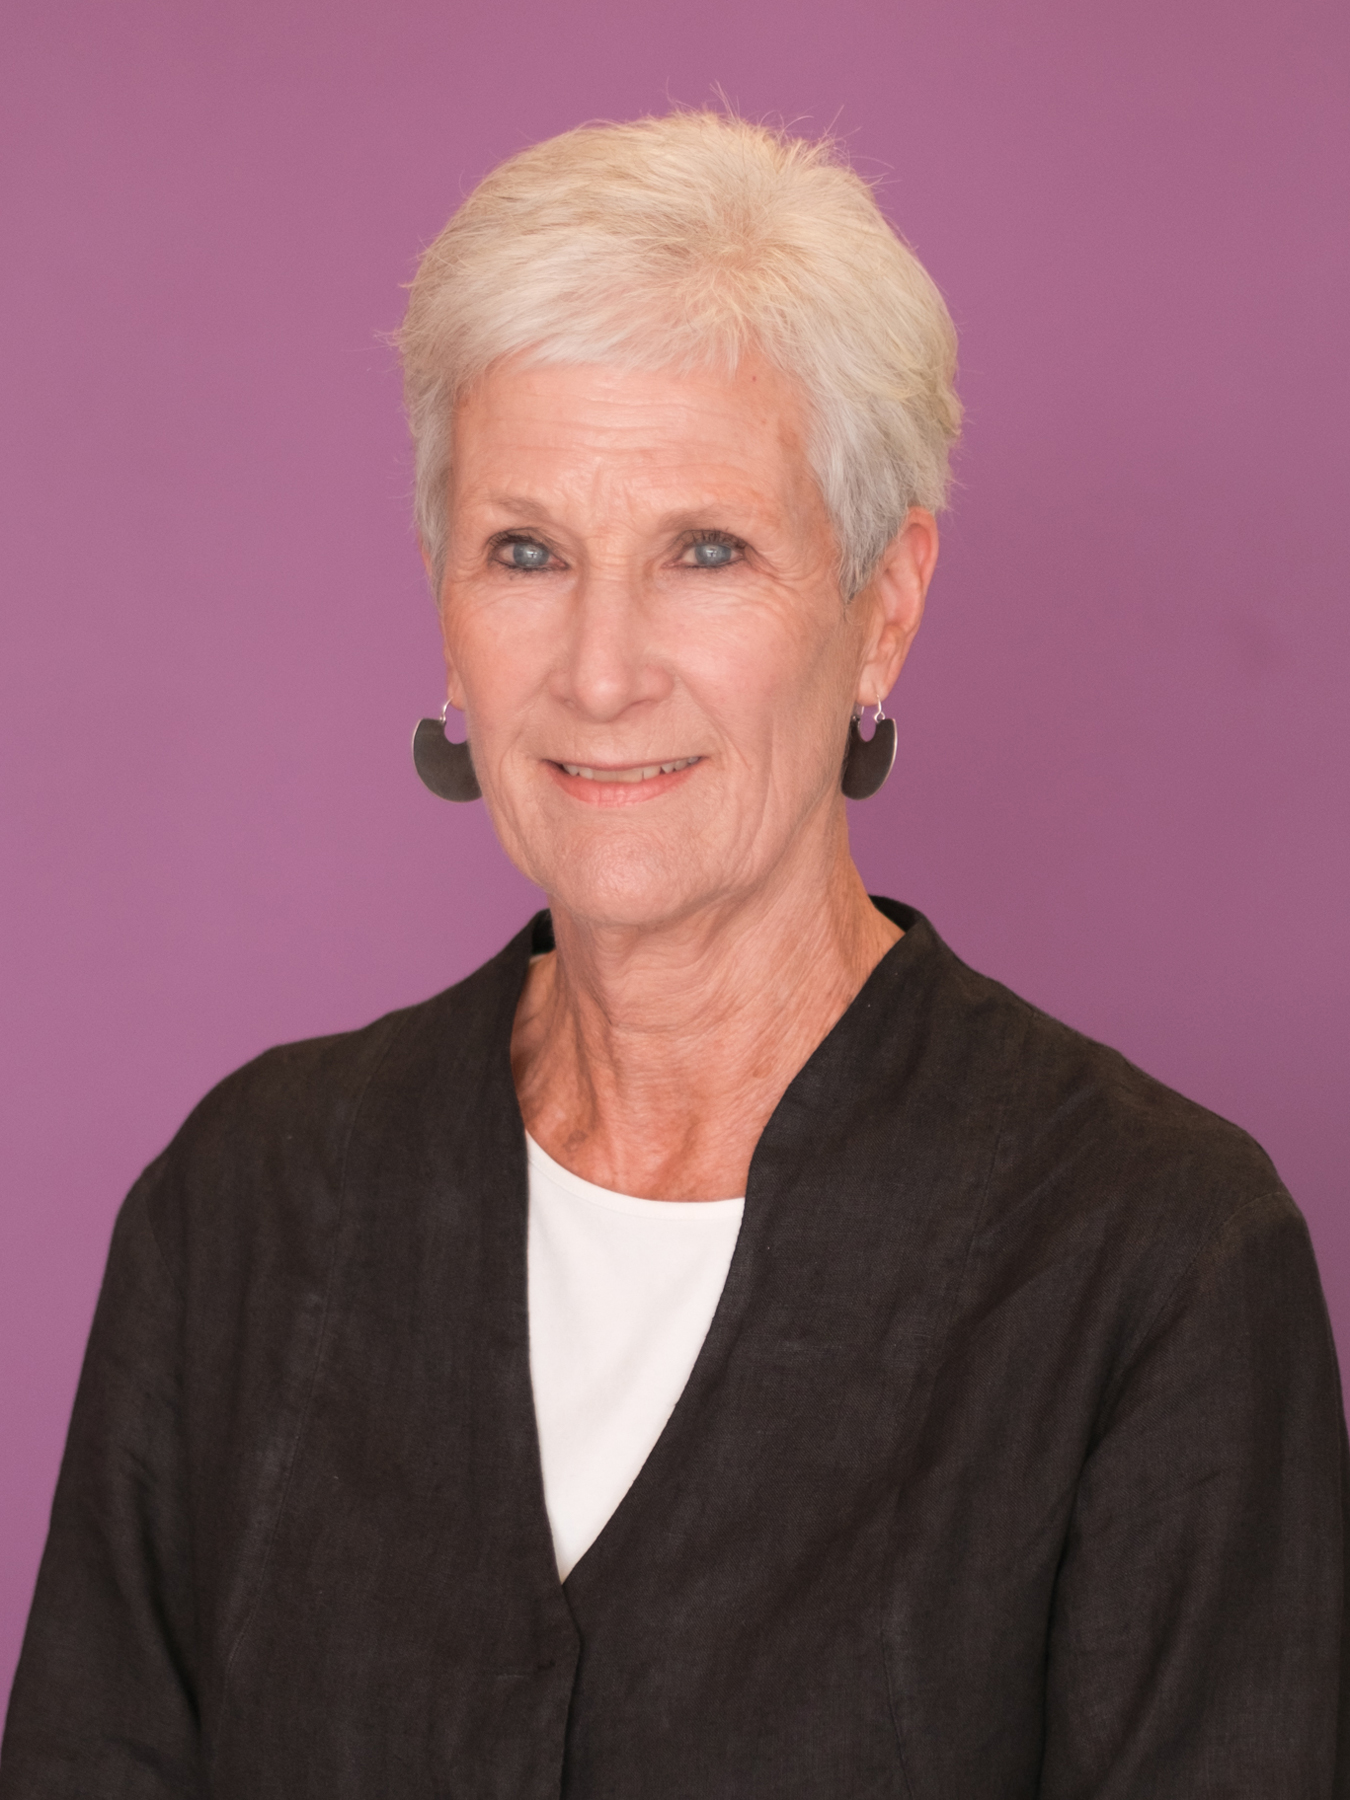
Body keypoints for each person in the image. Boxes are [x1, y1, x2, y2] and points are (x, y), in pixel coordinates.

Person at [2, 109, 1345, 1799]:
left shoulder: (1154, 1266)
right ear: (444, 601)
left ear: (884, 601)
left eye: (704, 552)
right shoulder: (244, 1208)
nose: (602, 667)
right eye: (526, 551)